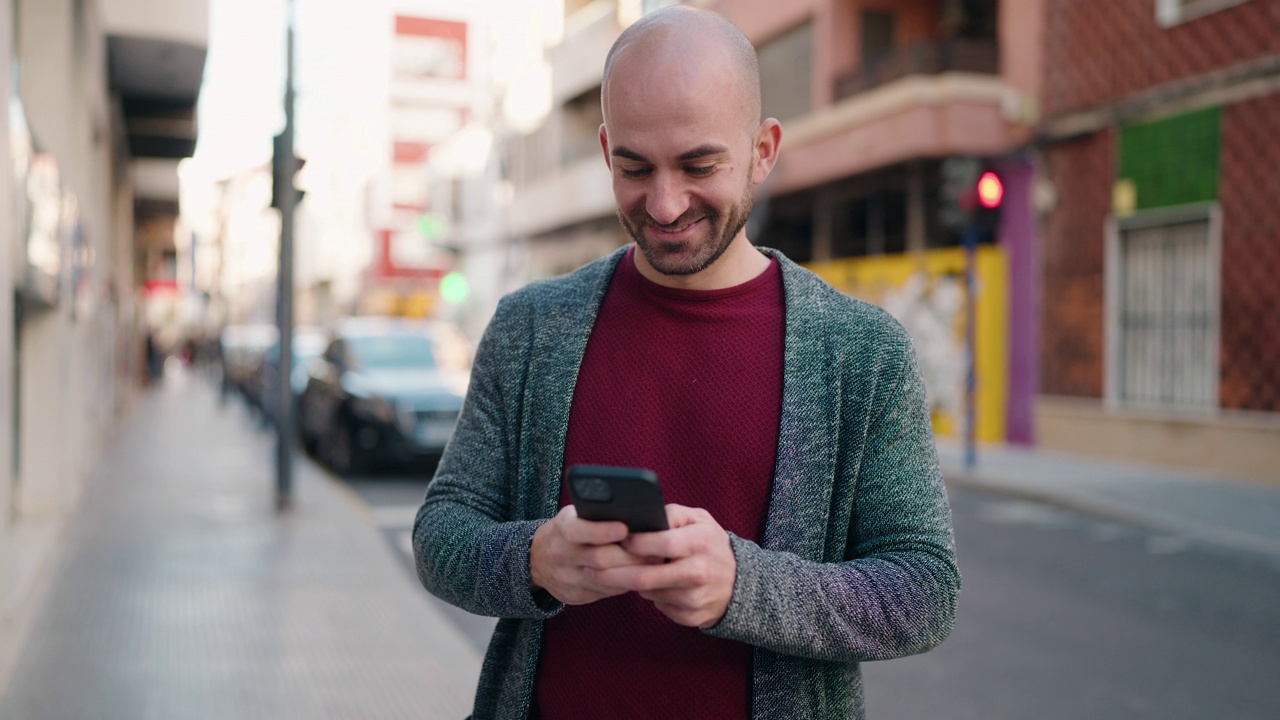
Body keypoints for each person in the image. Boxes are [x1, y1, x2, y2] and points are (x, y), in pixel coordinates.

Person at [413, 7, 959, 719]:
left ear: (764, 150)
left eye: (700, 165)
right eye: (634, 168)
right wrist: (534, 561)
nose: (665, 205)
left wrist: (745, 587)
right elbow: (440, 534)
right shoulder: (531, 328)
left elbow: (924, 590)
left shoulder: (862, 350)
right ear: (606, 148)